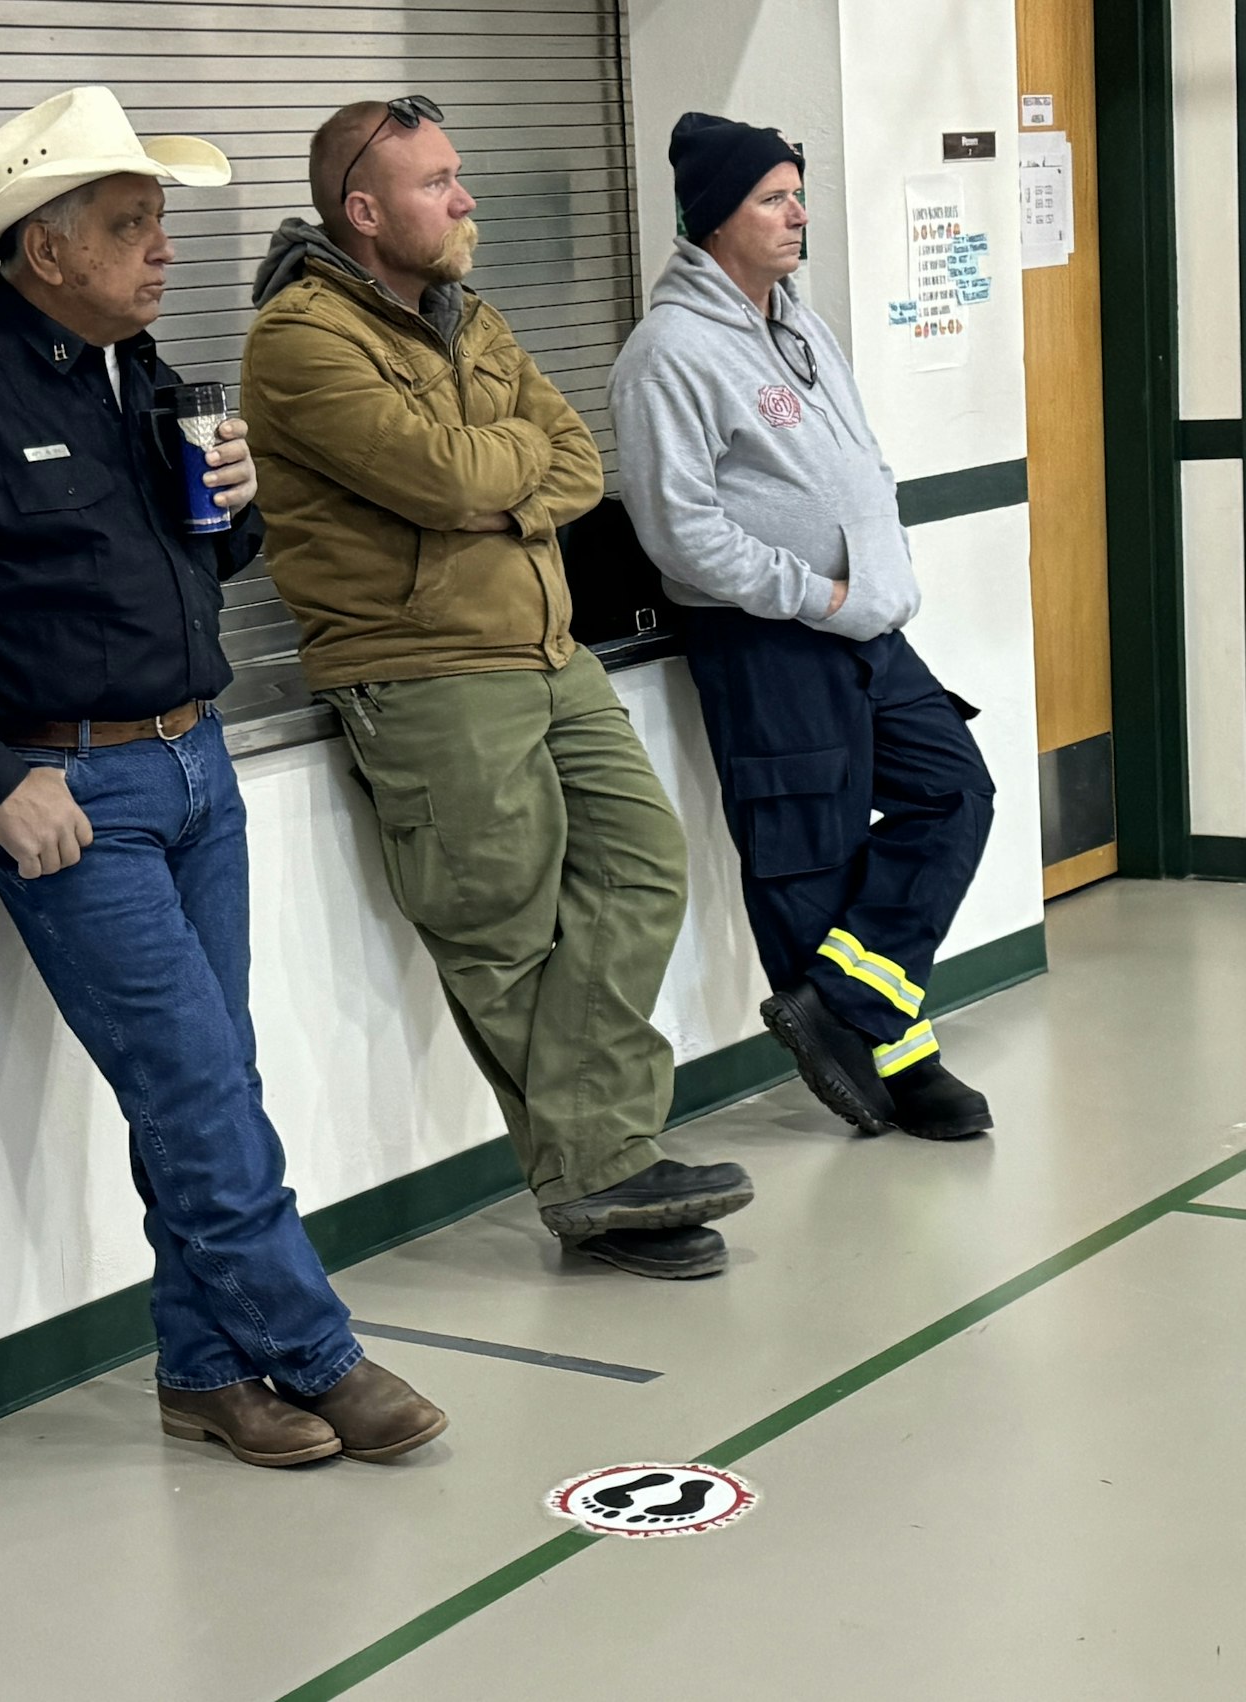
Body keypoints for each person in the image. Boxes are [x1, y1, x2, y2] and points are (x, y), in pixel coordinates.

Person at [0, 87, 446, 1468]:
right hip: (69, 797)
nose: (163, 248)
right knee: (201, 1088)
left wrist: (236, 510)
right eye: (130, 224)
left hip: (196, 764)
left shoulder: (146, 373)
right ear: (43, 249)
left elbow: (184, 572)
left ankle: (204, 1371)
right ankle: (316, 1349)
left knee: (205, 1077)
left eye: (160, 220)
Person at [238, 99, 755, 1281]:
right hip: (421, 670)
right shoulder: (299, 338)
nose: (464, 199)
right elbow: (434, 476)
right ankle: (604, 1174)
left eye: (458, 175)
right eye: (436, 184)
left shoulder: (466, 315)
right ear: (363, 214)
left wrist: (494, 482)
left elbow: (571, 456)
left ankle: (595, 1166)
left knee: (641, 861)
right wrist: (486, 471)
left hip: (544, 648)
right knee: (501, 932)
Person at [609, 113, 997, 1142]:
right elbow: (680, 532)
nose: (796, 214)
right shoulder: (667, 353)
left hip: (864, 625)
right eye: (772, 199)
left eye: (796, 193)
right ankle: (897, 1059)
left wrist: (870, 579)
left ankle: (844, 1007)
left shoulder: (795, 319)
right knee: (806, 849)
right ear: (712, 219)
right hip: (769, 636)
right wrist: (818, 593)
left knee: (952, 790)